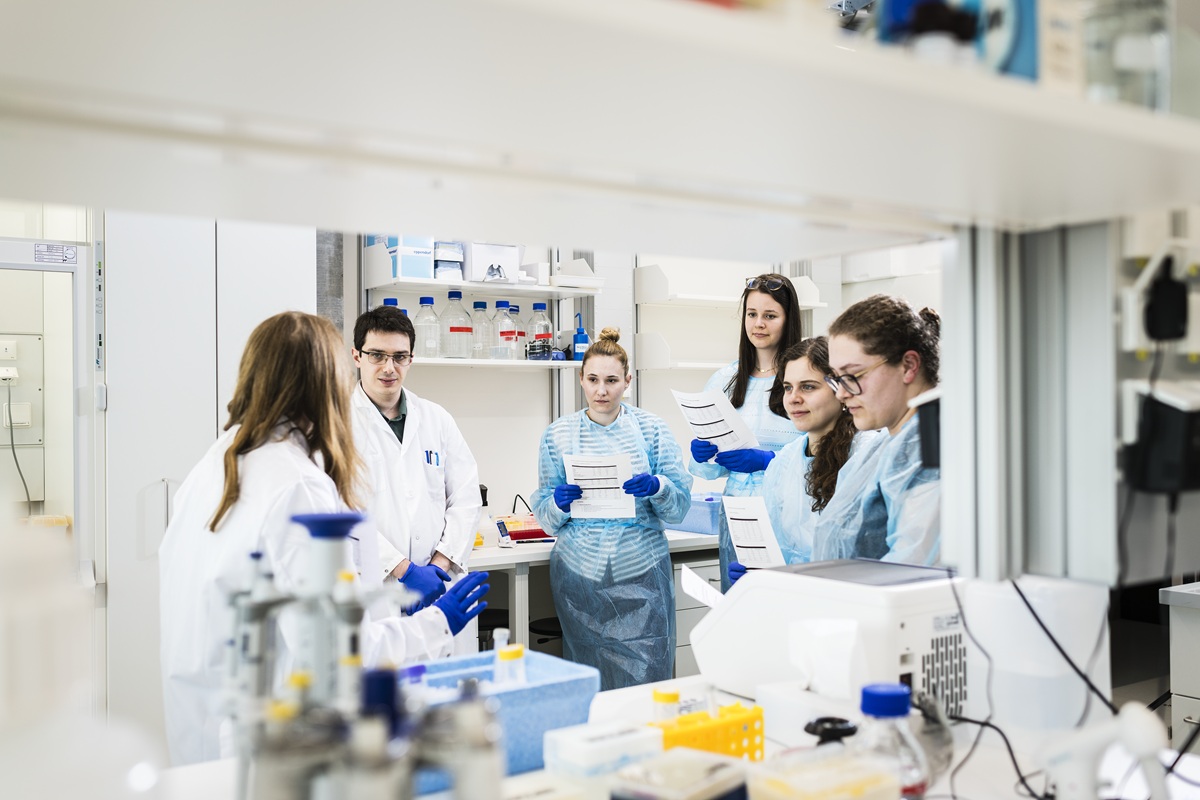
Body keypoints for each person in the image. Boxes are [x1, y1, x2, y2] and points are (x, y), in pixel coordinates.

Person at [159, 312, 489, 766]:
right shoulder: (297, 483)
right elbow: (340, 656)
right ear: (324, 380)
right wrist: (436, 624)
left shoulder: (218, 462)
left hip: (204, 725)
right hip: (268, 740)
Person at [532, 328, 692, 691]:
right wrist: (557, 503)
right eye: (592, 380)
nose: (601, 391)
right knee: (588, 674)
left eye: (611, 380)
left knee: (648, 676)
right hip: (578, 575)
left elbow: (679, 504)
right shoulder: (558, 435)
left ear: (628, 381)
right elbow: (544, 511)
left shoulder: (651, 430)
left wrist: (658, 487)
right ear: (580, 379)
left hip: (641, 569)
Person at [350, 306, 482, 636]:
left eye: (399, 357)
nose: (388, 368)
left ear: (411, 358)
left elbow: (465, 497)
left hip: (438, 587)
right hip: (374, 589)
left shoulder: (436, 419)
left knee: (442, 682)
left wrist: (436, 569)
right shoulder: (337, 423)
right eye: (377, 355)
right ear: (357, 356)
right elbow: (342, 510)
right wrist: (404, 571)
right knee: (383, 680)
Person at [726, 337, 885, 585]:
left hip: (854, 601)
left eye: (808, 387)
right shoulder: (784, 464)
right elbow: (778, 546)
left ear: (840, 389)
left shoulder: (868, 455)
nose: (793, 398)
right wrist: (759, 570)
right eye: (788, 387)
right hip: (795, 601)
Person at [688, 274, 805, 590]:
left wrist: (770, 460)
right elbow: (710, 471)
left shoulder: (804, 378)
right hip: (737, 514)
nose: (759, 324)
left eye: (770, 316)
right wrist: (704, 453)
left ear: (787, 319)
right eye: (752, 314)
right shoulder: (724, 379)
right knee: (739, 608)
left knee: (786, 607)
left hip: (788, 516)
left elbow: (823, 455)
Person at [813, 294, 942, 565]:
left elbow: (914, 567)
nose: (841, 394)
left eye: (853, 376)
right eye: (837, 379)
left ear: (908, 366)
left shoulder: (928, 447)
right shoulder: (885, 444)